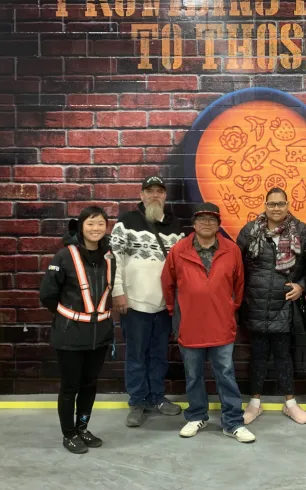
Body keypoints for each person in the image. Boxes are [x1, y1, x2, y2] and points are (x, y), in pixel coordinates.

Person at [161, 203, 256, 443]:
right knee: (193, 374)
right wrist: (176, 312)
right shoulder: (179, 250)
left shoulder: (231, 250)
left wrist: (227, 309)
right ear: (193, 223)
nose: (207, 223)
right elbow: (168, 284)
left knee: (225, 373)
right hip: (189, 325)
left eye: (212, 219)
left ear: (218, 224)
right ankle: (196, 415)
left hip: (221, 324)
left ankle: (232, 422)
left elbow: (239, 285)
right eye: (201, 219)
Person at [39, 206, 116, 454]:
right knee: (70, 386)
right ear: (81, 227)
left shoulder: (109, 256)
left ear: (107, 227)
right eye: (90, 224)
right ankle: (69, 433)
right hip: (70, 334)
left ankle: (83, 428)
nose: (96, 229)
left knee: (90, 385)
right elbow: (48, 295)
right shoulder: (64, 256)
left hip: (100, 335)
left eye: (101, 224)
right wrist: (71, 318)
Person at [110, 175, 185, 427]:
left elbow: (182, 266)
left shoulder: (176, 226)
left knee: (159, 355)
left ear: (165, 196)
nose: (155, 195)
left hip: (164, 305)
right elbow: (115, 259)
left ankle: (156, 397)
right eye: (149, 191)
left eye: (159, 191)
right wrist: (117, 292)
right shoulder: (126, 222)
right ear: (141, 195)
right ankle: (137, 402)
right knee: (135, 355)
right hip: (134, 303)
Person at [237, 187, 306, 425]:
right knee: (258, 356)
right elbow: (236, 267)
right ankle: (254, 404)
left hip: (285, 303)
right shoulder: (250, 231)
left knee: (284, 355)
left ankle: (290, 404)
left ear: (288, 204)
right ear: (265, 205)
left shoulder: (301, 230)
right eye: (272, 204)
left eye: (281, 204)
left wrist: (301, 286)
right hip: (256, 302)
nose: (276, 208)